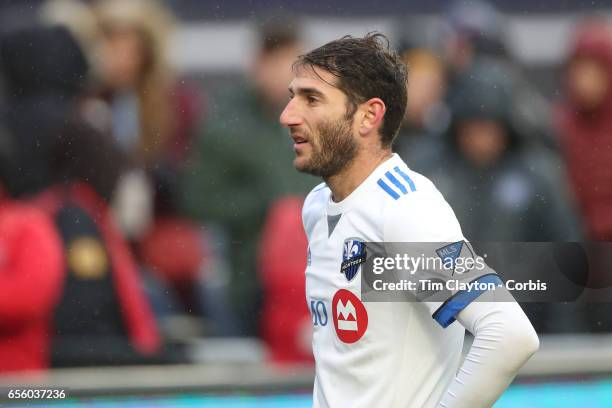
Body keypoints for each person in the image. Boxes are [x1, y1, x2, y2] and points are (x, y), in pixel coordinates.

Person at [279, 33, 539, 408]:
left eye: (312, 99)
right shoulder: (318, 207)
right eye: (292, 96)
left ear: (369, 115)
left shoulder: (403, 211)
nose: (288, 115)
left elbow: (509, 334)